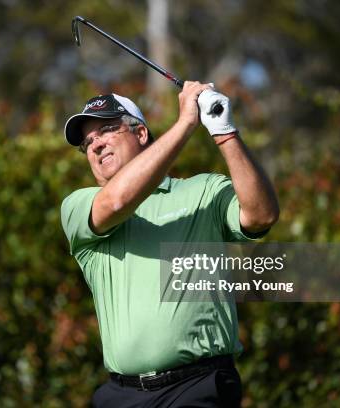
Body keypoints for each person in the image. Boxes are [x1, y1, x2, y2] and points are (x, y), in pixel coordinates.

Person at [60, 81, 279, 407]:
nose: (95, 145)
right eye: (87, 142)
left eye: (107, 130)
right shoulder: (79, 206)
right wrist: (186, 123)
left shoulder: (203, 191)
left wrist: (225, 132)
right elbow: (117, 201)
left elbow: (261, 215)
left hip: (198, 387)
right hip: (120, 396)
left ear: (141, 134)